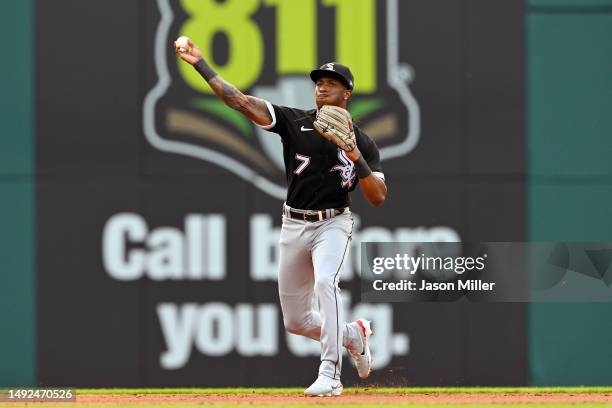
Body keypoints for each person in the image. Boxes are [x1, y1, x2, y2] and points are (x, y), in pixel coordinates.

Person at [175, 38, 387, 397]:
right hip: (294, 222)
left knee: (326, 284)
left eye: (331, 83)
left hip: (334, 222)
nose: (322, 86)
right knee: (297, 321)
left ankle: (330, 375)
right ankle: (353, 334)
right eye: (319, 82)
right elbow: (238, 101)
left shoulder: (362, 142)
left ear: (347, 93)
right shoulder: (294, 121)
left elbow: (378, 196)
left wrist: (354, 154)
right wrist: (201, 64)